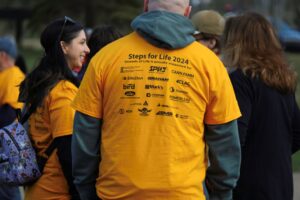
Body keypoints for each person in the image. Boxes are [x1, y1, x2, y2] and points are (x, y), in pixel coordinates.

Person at [72, 0, 241, 199]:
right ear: (187, 12)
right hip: (184, 194)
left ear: (145, 6)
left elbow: (85, 136)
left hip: (117, 193)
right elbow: (224, 141)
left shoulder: (105, 59)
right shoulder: (210, 65)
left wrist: (86, 189)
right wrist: (221, 192)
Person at [222, 12, 300, 200]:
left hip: (249, 186)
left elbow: (235, 139)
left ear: (238, 42)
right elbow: (298, 132)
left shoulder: (240, 82)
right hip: (280, 184)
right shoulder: (282, 81)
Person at [18, 16, 90, 200]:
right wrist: (78, 193)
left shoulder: (43, 84)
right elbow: (67, 151)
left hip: (37, 190)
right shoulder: (63, 92)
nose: (87, 49)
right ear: (64, 47)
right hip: (55, 192)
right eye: (81, 43)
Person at [0, 37, 24, 200]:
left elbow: (10, 114)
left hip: (9, 144)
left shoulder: (14, 75)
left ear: (2, 55)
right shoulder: (6, 75)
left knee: (8, 193)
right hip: (6, 141)